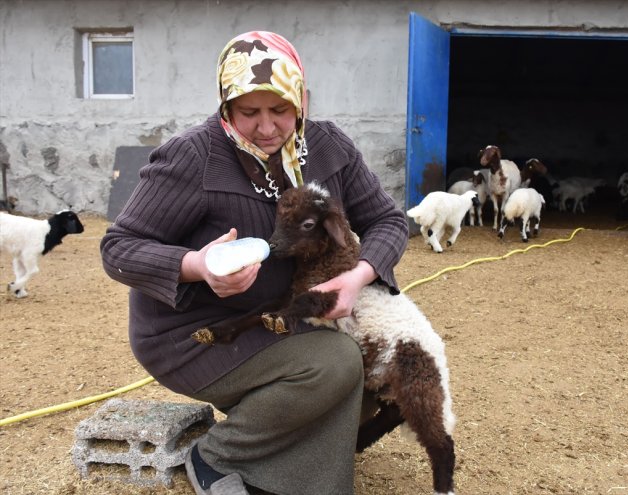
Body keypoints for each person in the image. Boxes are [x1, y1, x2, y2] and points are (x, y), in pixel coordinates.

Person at [100, 31, 408, 495]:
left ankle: (300, 465)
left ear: (301, 100)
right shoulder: (193, 156)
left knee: (391, 356)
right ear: (226, 106)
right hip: (199, 332)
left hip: (287, 318)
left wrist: (358, 276)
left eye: (280, 110)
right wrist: (196, 265)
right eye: (249, 112)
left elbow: (387, 219)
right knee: (335, 363)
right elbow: (118, 247)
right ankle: (217, 455)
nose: (267, 128)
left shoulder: (328, 147)